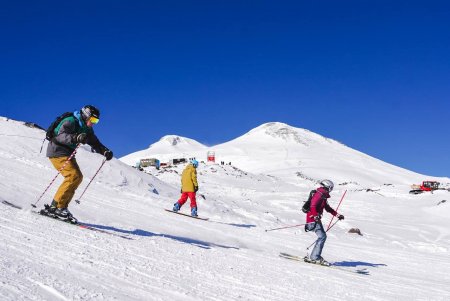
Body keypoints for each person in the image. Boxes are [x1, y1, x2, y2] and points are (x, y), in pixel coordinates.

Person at [43, 105, 113, 221]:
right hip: (57, 151)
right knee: (73, 176)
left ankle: (62, 207)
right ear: (86, 116)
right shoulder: (70, 121)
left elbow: (95, 142)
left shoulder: (87, 128)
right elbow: (59, 136)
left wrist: (105, 151)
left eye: (96, 121)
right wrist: (75, 138)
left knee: (78, 177)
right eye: (93, 120)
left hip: (67, 153)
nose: (94, 123)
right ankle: (56, 207)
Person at [304, 179, 344, 265]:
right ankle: (314, 257)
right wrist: (315, 215)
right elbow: (312, 206)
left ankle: (313, 255)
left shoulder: (323, 196)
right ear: (328, 187)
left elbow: (328, 209)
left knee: (322, 237)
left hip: (315, 220)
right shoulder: (319, 195)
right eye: (331, 188)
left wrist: (338, 215)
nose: (331, 189)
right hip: (312, 220)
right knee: (322, 237)